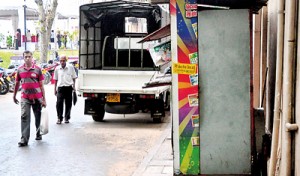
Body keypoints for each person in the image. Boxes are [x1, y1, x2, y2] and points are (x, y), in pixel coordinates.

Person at [13, 50, 47, 147]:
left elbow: (41, 85)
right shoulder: (19, 70)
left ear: (32, 58)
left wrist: (44, 100)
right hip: (25, 97)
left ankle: (38, 133)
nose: (27, 58)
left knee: (38, 116)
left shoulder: (38, 69)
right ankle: (24, 139)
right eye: (25, 57)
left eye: (29, 56)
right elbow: (16, 84)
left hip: (37, 97)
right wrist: (14, 95)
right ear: (23, 58)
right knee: (24, 117)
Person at [53, 55, 77, 124]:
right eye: (61, 61)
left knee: (68, 103)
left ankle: (67, 118)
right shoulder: (57, 68)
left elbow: (74, 77)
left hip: (69, 87)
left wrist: (74, 86)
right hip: (60, 88)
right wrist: (54, 89)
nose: (62, 62)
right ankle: (59, 118)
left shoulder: (71, 67)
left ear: (66, 61)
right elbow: (55, 80)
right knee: (59, 103)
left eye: (63, 61)